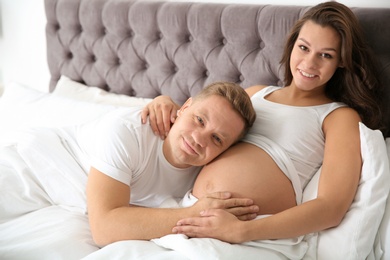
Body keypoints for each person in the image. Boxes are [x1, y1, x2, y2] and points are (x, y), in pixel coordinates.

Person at [141, 1, 386, 243]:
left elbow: (331, 207)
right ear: (292, 46)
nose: (310, 63)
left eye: (325, 55)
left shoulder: (338, 116)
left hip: (252, 235)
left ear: (341, 61)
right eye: (304, 48)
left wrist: (240, 231)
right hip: (189, 217)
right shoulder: (255, 93)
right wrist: (165, 103)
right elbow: (197, 127)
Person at [85, 81, 257, 246]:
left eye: (217, 138)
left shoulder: (210, 171)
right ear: (184, 108)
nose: (198, 139)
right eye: (200, 120)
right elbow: (103, 229)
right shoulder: (128, 131)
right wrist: (193, 213)